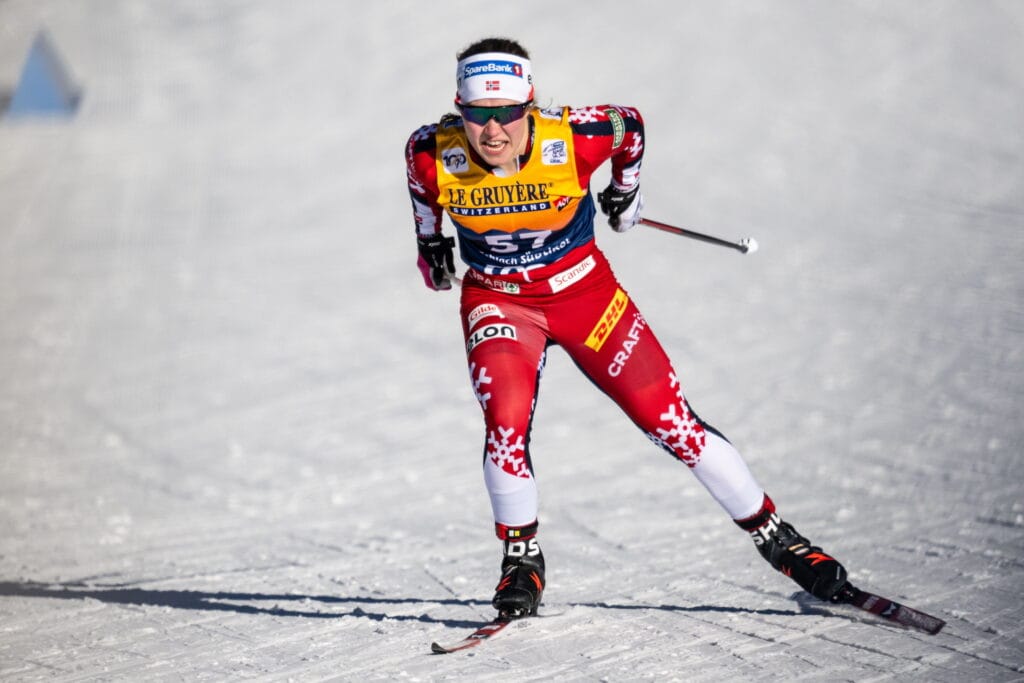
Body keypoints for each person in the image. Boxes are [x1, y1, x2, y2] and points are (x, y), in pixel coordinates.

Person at [404, 37, 848, 618]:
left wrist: (624, 193)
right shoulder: (430, 151)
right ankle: (521, 560)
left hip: (586, 297)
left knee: (670, 421)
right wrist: (432, 246)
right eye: (477, 115)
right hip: (501, 301)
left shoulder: (575, 137)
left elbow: (631, 127)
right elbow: (422, 196)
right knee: (505, 423)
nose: (492, 131)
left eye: (507, 113)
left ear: (530, 105)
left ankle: (779, 540)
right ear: (458, 109)